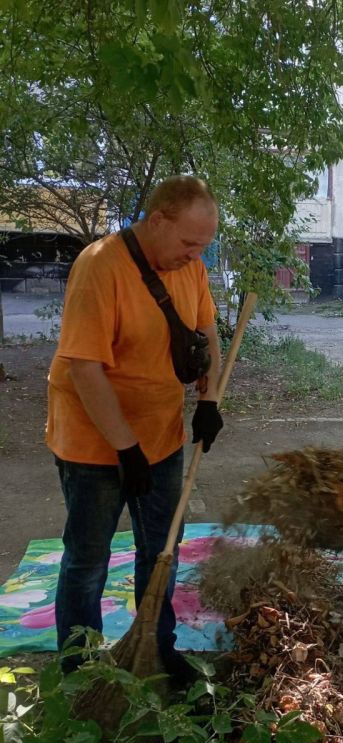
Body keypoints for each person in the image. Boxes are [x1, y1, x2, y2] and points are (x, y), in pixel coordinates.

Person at [47, 175, 224, 682]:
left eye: (204, 246)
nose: (195, 255)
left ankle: (156, 647)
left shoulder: (190, 268)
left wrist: (208, 400)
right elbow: (84, 368)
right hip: (95, 443)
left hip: (161, 435)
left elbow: (206, 330)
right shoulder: (100, 266)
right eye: (189, 242)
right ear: (157, 220)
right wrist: (126, 449)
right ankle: (79, 669)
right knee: (88, 559)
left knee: (161, 548)